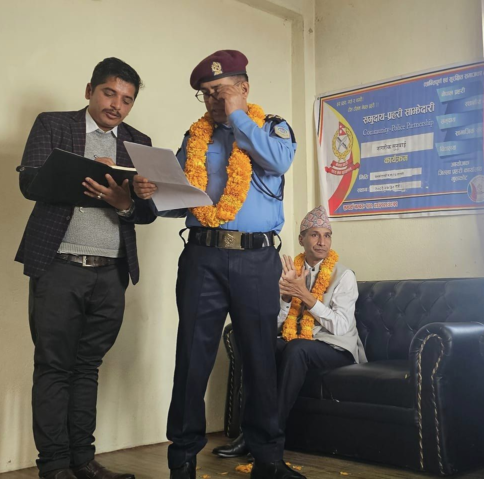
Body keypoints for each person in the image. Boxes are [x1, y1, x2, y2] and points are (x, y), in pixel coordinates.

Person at [132, 50, 298, 479]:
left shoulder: (272, 128)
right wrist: (152, 193)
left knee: (259, 359)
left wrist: (239, 116)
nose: (213, 100)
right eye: (206, 94)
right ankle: (182, 461)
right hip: (202, 256)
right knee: (192, 357)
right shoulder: (196, 136)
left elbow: (279, 161)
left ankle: (268, 461)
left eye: (221, 91)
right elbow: (182, 202)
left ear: (244, 88)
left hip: (255, 258)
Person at [16, 57, 155, 479]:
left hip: (111, 272)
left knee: (88, 367)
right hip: (59, 265)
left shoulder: (139, 142)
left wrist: (126, 202)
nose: (117, 106)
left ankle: (83, 461)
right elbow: (29, 183)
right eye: (109, 93)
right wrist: (90, 178)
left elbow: (147, 213)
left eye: (127, 100)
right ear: (90, 90)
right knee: (54, 366)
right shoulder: (54, 125)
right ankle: (54, 466)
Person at [211, 206, 366, 460]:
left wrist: (305, 295)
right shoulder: (289, 272)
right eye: (315, 235)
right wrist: (285, 299)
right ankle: (248, 434)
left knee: (297, 350)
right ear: (301, 239)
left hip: (337, 347)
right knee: (261, 347)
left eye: (327, 235)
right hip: (299, 341)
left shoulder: (344, 276)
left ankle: (268, 439)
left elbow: (340, 326)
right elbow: (274, 327)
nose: (322, 242)